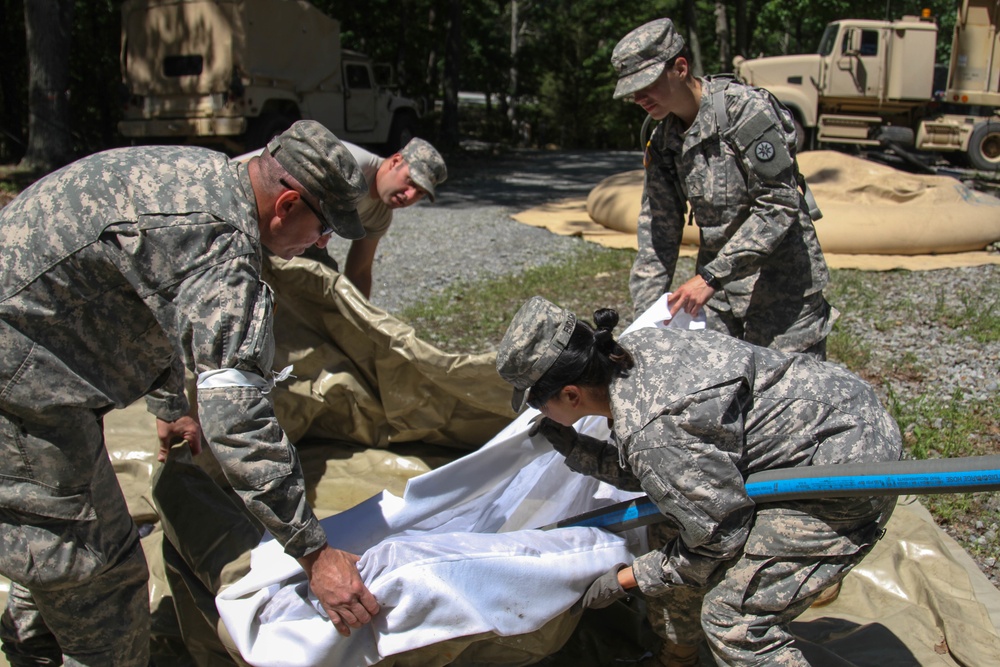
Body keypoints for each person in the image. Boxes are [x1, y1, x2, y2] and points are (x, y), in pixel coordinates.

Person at [0, 120, 381, 666]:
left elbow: (142, 287)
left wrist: (169, 403)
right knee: (106, 580)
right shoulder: (222, 250)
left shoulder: (202, 175)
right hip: (24, 395)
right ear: (288, 203)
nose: (321, 245)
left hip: (31, 360)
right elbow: (240, 421)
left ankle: (32, 639)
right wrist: (315, 555)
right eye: (324, 230)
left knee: (55, 547)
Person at [496, 296, 901, 666]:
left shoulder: (652, 433)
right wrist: (574, 447)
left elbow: (722, 539)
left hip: (843, 472)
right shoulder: (636, 352)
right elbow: (670, 476)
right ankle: (678, 652)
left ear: (570, 394)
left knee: (734, 622)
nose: (537, 411)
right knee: (669, 525)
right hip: (833, 410)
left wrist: (628, 578)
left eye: (537, 401)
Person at [612, 18, 836, 359]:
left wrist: (710, 277)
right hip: (721, 295)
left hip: (783, 287)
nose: (639, 98)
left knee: (788, 402)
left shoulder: (745, 112)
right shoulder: (663, 141)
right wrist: (646, 320)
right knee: (714, 394)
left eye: (647, 84)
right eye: (632, 91)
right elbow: (659, 230)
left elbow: (779, 203)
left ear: (681, 67)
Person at [304, 137, 448, 299]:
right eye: (411, 181)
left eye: (420, 192)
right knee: (314, 283)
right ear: (395, 161)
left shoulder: (380, 216)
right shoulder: (350, 169)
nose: (410, 195)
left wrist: (361, 320)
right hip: (279, 212)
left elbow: (359, 273)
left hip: (300, 234)